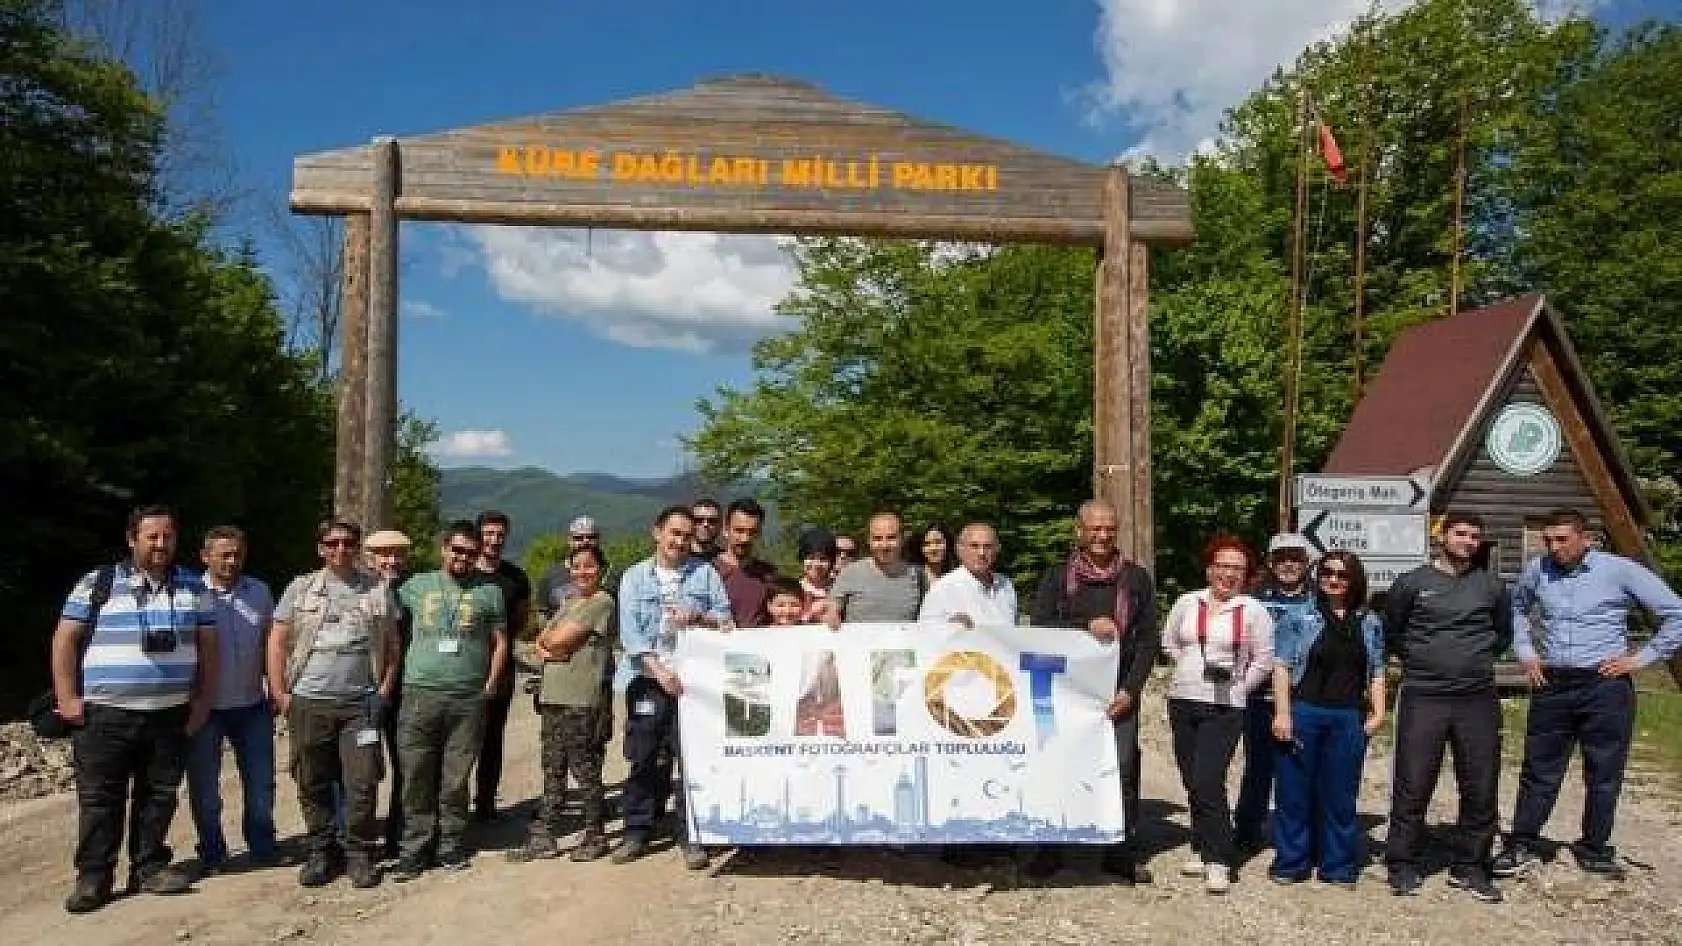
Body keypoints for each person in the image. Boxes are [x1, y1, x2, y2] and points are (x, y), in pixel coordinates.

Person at [1494, 507, 1682, 880]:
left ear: (1586, 539)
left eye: (1562, 539)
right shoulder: (1538, 570)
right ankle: (1523, 844)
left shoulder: (1619, 570)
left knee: (1603, 772)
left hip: (1604, 684)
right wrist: (1527, 654)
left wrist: (1640, 659)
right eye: (1548, 540)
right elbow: (1516, 609)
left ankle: (1594, 848)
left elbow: (1676, 612)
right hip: (1552, 683)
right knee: (1539, 770)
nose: (1554, 547)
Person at [53, 504, 217, 912]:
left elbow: (209, 651)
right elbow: (65, 640)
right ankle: (94, 877)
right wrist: (67, 698)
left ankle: (149, 867)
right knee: (100, 798)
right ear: (132, 539)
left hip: (169, 713)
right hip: (104, 713)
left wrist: (202, 702)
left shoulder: (194, 587)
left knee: (159, 795)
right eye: (152, 536)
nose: (161, 544)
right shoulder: (98, 583)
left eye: (168, 536)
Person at [1027, 499, 1158, 884]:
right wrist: (1085, 625)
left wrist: (1132, 689)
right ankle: (1051, 848)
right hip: (1066, 694)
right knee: (1058, 767)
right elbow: (1041, 626)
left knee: (1121, 771)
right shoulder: (1058, 577)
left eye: (1109, 529)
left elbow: (1149, 639)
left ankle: (1119, 851)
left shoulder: (1136, 579)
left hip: (1118, 695)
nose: (1102, 536)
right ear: (1079, 531)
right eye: (1094, 529)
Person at [1383, 513, 1511, 903]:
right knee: (1414, 780)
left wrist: (1470, 660)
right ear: (1443, 537)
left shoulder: (1491, 586)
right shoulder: (1413, 582)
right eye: (1461, 534)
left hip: (1476, 697)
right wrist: (1424, 659)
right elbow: (1393, 630)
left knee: (1480, 783)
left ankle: (1470, 865)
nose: (1468, 541)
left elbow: (1502, 634)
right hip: (1425, 693)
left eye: (1475, 536)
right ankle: (1402, 861)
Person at [269, 519, 400, 889]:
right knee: (312, 780)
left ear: (358, 548)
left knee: (362, 782)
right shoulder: (301, 589)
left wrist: (385, 690)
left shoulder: (377, 590)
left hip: (360, 704)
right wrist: (280, 694)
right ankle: (321, 851)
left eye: (348, 543)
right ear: (320, 547)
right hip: (309, 700)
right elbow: (277, 641)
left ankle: (358, 851)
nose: (340, 549)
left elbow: (392, 644)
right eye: (332, 543)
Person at [612, 506, 732, 869]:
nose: (679, 541)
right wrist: (659, 670)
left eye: (685, 534)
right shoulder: (634, 577)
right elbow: (630, 633)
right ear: (657, 533)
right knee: (644, 755)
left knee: (692, 759)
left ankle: (691, 833)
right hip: (648, 680)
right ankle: (636, 831)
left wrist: (700, 617)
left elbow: (726, 621)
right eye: (673, 533)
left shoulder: (705, 574)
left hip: (694, 685)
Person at [390, 522, 510, 881]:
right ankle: (414, 848)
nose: (462, 558)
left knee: (456, 777)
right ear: (444, 548)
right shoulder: (414, 586)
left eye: (470, 553)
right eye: (457, 550)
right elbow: (385, 624)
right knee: (415, 774)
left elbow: (500, 641)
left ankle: (450, 843)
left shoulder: (490, 592)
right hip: (419, 693)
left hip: (467, 697)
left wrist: (490, 683)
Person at [1161, 534, 1274, 895]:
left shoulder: (1253, 611)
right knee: (1191, 777)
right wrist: (1188, 669)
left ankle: (1219, 858)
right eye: (1222, 566)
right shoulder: (1187, 601)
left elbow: (1264, 659)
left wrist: (1241, 687)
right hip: (1183, 698)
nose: (1228, 574)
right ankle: (1201, 841)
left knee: (1209, 778)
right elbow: (1170, 641)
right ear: (1210, 569)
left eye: (1237, 568)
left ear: (1247, 575)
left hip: (1224, 706)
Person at [1269, 550, 1386, 886]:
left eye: (1342, 574)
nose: (1333, 580)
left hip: (1347, 716)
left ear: (1354, 580)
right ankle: (1291, 862)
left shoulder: (1369, 622)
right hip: (1304, 711)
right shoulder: (1298, 616)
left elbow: (1377, 669)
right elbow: (1281, 666)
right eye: (1327, 573)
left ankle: (1337, 865)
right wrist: (1282, 712)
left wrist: (1379, 712)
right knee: (1294, 792)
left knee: (1340, 796)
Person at [508, 544, 618, 863]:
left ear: (601, 570)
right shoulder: (570, 603)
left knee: (584, 769)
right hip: (553, 696)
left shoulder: (601, 602)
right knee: (552, 768)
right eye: (576, 566)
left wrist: (551, 646)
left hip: (580, 699)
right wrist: (550, 646)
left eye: (589, 566)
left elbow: (554, 641)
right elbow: (545, 641)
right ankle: (545, 836)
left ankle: (594, 834)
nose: (582, 572)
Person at [185, 525, 279, 876]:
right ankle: (211, 851)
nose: (231, 560)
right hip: (206, 707)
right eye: (223, 554)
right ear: (205, 556)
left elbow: (272, 641)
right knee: (205, 787)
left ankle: (263, 844)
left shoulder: (260, 591)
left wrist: (275, 687)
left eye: (237, 553)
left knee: (260, 782)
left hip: (252, 703)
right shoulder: (190, 594)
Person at [1236, 533, 1319, 852]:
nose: (1288, 564)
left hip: (1305, 698)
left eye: (1295, 557)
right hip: (1257, 697)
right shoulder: (1251, 598)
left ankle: (1300, 832)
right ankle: (1247, 828)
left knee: (1301, 768)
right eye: (1281, 557)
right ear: (1270, 562)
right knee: (1258, 766)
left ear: (1307, 562)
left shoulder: (1319, 599)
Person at [471, 509, 531, 823]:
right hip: (464, 668)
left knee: (492, 739)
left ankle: (485, 803)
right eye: (488, 533)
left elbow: (520, 620)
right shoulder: (466, 573)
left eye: (499, 534)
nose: (494, 540)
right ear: (478, 535)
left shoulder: (516, 577)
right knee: (459, 739)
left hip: (501, 668)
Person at [362, 528, 412, 858]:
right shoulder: (358, 591)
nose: (390, 560)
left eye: (396, 554)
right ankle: (357, 839)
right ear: (369, 557)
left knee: (404, 765)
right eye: (383, 554)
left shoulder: (412, 592)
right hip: (361, 691)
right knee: (361, 769)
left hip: (405, 691)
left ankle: (398, 835)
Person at [823, 512, 924, 628]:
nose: (884, 545)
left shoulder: (918, 575)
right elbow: (832, 606)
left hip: (904, 645)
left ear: (902, 538)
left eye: (891, 537)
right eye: (877, 538)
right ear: (869, 541)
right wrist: (832, 612)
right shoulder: (850, 573)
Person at [917, 523, 1016, 628]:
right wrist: (949, 626)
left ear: (997, 549)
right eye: (974, 546)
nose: (981, 553)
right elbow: (925, 634)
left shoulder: (1005, 585)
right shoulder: (944, 588)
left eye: (988, 546)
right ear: (960, 549)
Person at [715, 497, 776, 628]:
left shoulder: (768, 574)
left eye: (752, 532)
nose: (745, 538)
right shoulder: (708, 572)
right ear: (726, 530)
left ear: (759, 533)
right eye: (739, 530)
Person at [535, 516, 601, 625]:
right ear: (569, 541)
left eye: (591, 537)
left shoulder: (610, 573)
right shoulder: (550, 575)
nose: (585, 541)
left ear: (598, 539)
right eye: (578, 538)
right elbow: (542, 614)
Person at [797, 530, 838, 621]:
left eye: (823, 559)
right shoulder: (792, 590)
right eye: (810, 558)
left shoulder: (839, 589)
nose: (816, 564)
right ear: (801, 560)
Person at [910, 521, 957, 591]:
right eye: (927, 544)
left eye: (938, 542)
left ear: (948, 544)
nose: (933, 548)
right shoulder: (912, 577)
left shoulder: (957, 576)